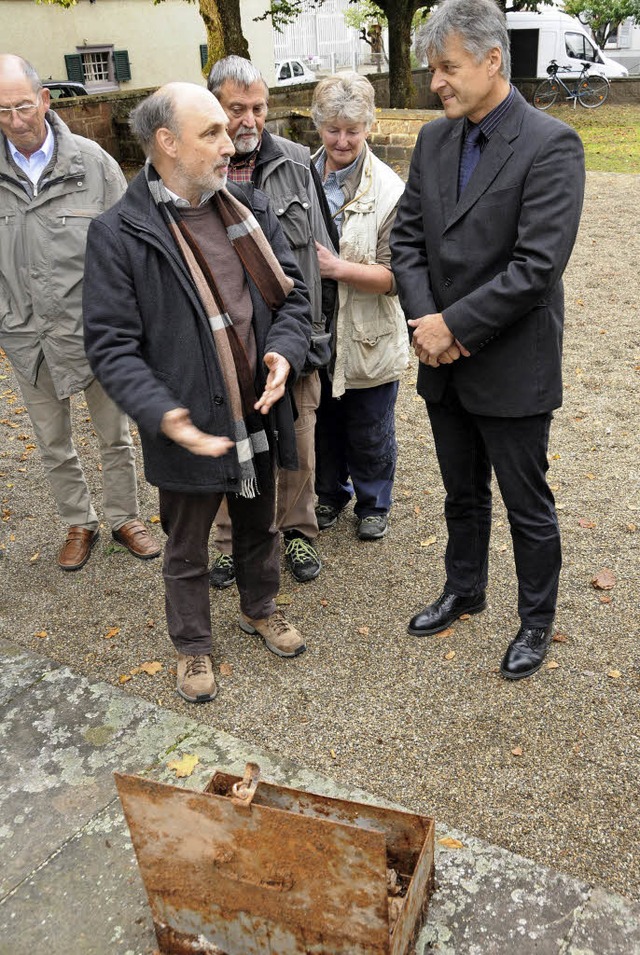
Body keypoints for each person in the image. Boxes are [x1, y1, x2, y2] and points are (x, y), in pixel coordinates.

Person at [82, 83, 312, 704]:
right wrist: (164, 415)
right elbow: (110, 346)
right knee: (185, 547)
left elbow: (293, 298)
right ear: (167, 143)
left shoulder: (247, 208)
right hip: (190, 420)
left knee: (259, 525)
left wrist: (284, 354)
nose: (229, 139)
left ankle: (260, 607)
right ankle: (192, 646)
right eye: (209, 131)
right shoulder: (119, 234)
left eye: (225, 129)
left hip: (255, 408)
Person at [390, 0, 585, 680]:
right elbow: (405, 239)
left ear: (492, 60)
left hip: (510, 364)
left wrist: (455, 326)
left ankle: (536, 619)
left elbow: (536, 267)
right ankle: (464, 587)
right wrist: (425, 324)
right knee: (460, 492)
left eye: (447, 67)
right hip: (440, 358)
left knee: (526, 502)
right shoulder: (434, 139)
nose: (435, 81)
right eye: (431, 68)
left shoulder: (550, 143)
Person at [0, 54, 160, 570]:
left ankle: (125, 517)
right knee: (53, 442)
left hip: (93, 332)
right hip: (25, 335)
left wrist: (131, 325)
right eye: (1, 111)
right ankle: (78, 521)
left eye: (22, 106)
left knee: (114, 435)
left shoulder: (93, 164)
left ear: (44, 100)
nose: (14, 120)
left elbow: (131, 247)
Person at [207, 55, 338, 587]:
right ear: (212, 105)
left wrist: (316, 334)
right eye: (236, 108)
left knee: (299, 443)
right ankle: (224, 542)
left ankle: (297, 532)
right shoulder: (196, 168)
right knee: (225, 441)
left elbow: (320, 254)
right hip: (225, 339)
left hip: (293, 333)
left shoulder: (297, 161)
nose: (248, 120)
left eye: (257, 108)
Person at [311, 72, 409, 542]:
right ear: (318, 126)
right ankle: (329, 494)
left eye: (353, 129)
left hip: (370, 335)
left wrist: (338, 269)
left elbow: (396, 278)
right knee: (322, 424)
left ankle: (373, 502)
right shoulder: (300, 176)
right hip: (317, 332)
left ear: (369, 126)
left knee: (369, 429)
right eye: (333, 129)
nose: (343, 140)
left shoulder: (389, 191)